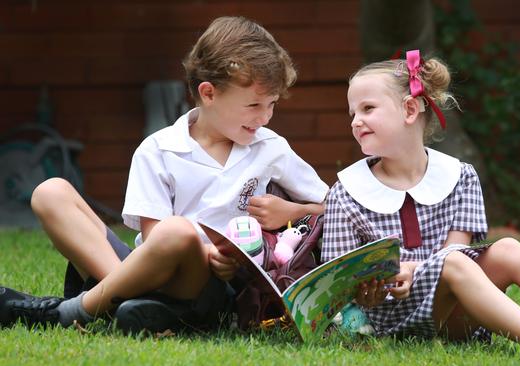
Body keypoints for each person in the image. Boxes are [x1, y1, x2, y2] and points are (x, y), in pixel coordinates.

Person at [0, 16, 329, 335]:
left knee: (177, 231)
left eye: (272, 104)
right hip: (151, 268)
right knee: (50, 192)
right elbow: (157, 237)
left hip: (209, 286)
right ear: (209, 93)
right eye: (255, 105)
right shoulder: (159, 149)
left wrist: (294, 212)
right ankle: (139, 308)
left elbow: (335, 206)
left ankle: (74, 310)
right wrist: (203, 249)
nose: (266, 117)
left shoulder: (270, 148)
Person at [321, 49, 520, 363]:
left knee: (506, 249)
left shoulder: (458, 177)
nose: (355, 121)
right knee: (455, 265)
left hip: (453, 313)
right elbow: (335, 290)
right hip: (389, 322)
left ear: (410, 110)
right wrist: (371, 291)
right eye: (352, 113)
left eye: (367, 109)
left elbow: (456, 253)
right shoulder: (346, 193)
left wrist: (414, 270)